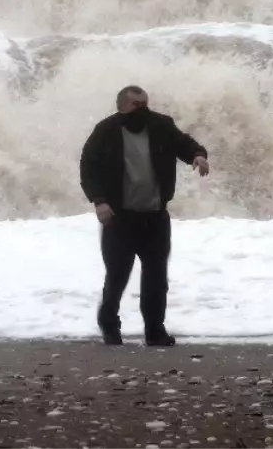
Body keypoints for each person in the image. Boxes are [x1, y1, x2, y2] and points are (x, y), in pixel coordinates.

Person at [79, 85, 210, 346]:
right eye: (137, 105)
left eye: (145, 103)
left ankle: (154, 330)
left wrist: (198, 156)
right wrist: (99, 201)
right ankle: (109, 327)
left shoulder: (161, 125)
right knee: (117, 276)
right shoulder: (106, 131)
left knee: (156, 277)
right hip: (119, 218)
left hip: (155, 218)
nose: (143, 109)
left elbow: (185, 144)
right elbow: (88, 167)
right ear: (122, 107)